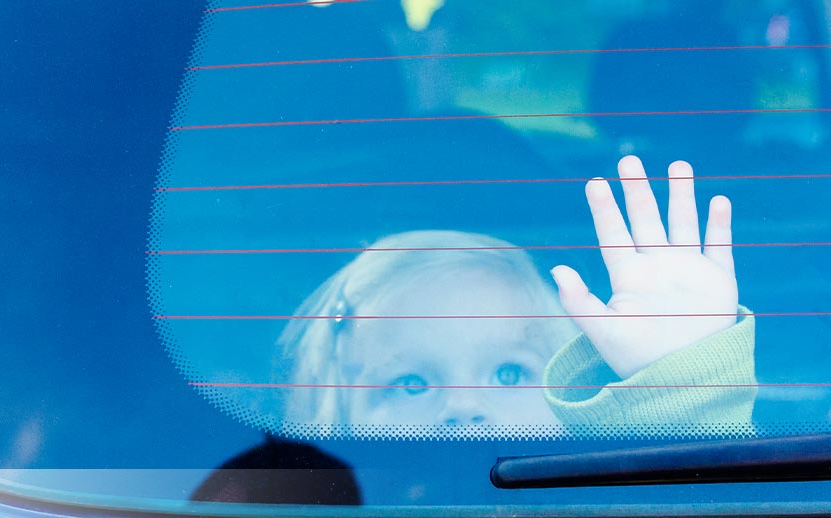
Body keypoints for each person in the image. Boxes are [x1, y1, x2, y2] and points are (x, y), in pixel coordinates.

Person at [276, 156, 756, 438]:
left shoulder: (598, 497)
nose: (463, 409)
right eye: (411, 383)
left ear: (571, 399)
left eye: (509, 374)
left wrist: (681, 383)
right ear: (337, 420)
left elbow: (696, 499)